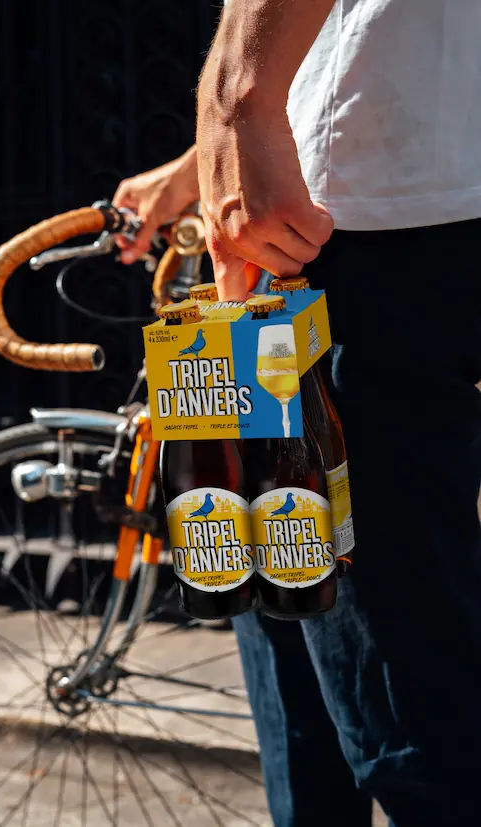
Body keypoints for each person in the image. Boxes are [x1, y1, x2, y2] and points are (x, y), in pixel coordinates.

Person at [194, 2, 481, 826]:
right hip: (398, 187)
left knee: (397, 697)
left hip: (365, 214)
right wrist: (202, 158)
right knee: (288, 600)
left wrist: (234, 101)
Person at [113, 155, 372, 825]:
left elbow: (294, 66)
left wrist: (197, 168)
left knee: (354, 694)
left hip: (310, 262)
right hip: (286, 277)